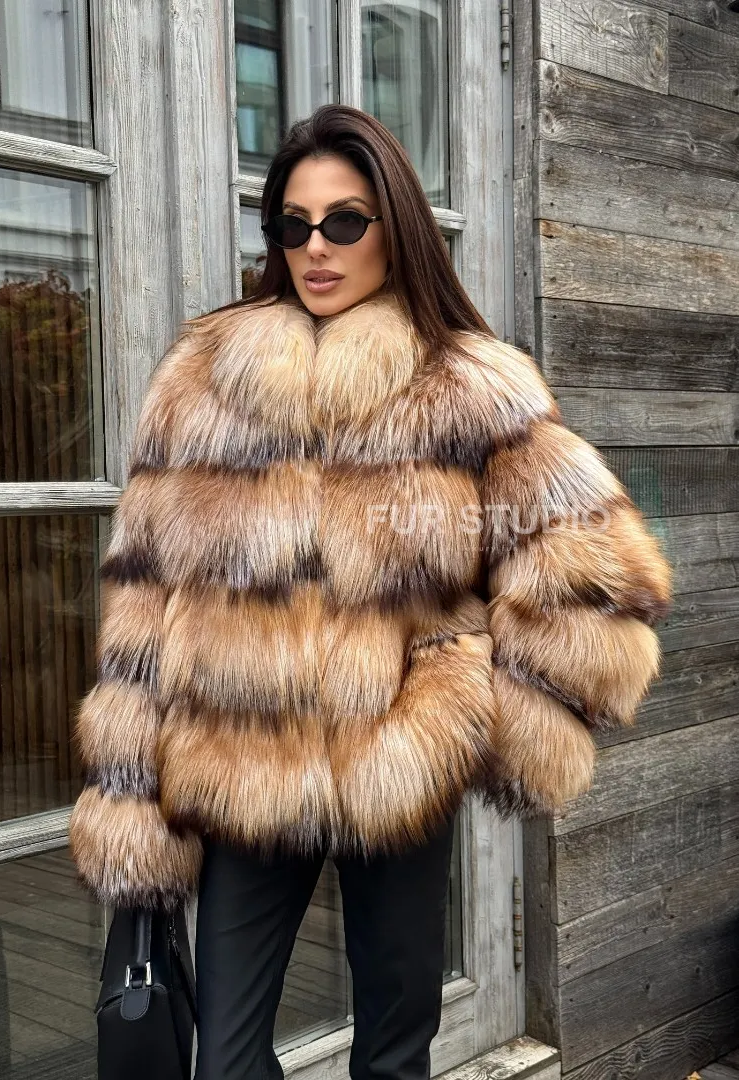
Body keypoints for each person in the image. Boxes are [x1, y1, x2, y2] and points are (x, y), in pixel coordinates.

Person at [68, 104, 672, 1079]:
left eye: (343, 221)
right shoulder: (200, 380)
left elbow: (593, 569)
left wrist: (478, 702)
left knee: (394, 1053)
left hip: (399, 755)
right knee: (223, 1058)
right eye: (292, 224)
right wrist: (130, 790)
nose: (315, 246)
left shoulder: (466, 381)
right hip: (242, 756)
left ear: (394, 225)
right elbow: (141, 594)